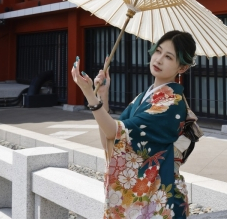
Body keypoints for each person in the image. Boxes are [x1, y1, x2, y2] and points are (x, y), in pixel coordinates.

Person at [72, 30, 196, 219]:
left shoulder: (171, 103)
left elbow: (116, 132)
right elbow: (110, 141)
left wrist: (90, 95)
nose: (159, 59)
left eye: (169, 57)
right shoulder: (143, 97)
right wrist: (102, 95)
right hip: (145, 198)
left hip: (161, 204)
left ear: (183, 68)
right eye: (158, 51)